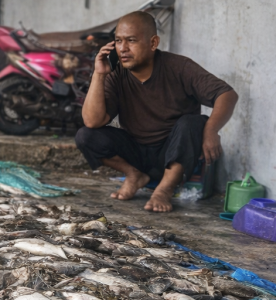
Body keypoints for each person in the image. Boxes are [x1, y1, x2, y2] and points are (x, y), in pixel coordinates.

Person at [77, 11, 239, 212]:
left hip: (174, 153)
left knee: (192, 123)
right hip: (136, 152)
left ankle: (164, 189)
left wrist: (211, 130)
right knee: (86, 135)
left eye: (131, 41)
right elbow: (93, 121)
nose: (123, 48)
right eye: (118, 41)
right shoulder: (116, 73)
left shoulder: (178, 67)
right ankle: (134, 175)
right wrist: (99, 75)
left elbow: (227, 94)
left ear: (153, 43)